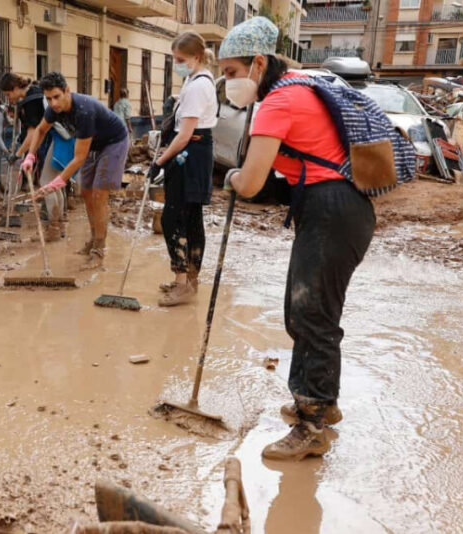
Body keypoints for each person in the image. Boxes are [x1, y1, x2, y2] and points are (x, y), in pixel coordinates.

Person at [219, 17, 375, 460]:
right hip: (338, 208)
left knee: (312, 316)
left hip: (332, 210)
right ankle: (319, 400)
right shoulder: (298, 87)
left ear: (259, 63)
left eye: (231, 72)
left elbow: (249, 182)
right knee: (304, 309)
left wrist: (231, 176)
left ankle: (312, 427)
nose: (227, 82)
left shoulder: (278, 102)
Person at [25, 72, 129, 269]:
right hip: (94, 144)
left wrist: (58, 182)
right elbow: (40, 130)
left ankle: (99, 249)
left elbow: (79, 158)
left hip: (114, 142)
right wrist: (31, 155)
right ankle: (93, 238)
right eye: (48, 98)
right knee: (85, 192)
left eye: (56, 96)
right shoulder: (53, 110)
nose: (53, 103)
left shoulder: (84, 110)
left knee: (99, 194)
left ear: (67, 91)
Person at [146, 32, 218, 307]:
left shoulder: (199, 85)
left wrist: (160, 162)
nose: (176, 64)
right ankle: (188, 279)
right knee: (187, 217)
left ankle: (183, 283)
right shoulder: (194, 80)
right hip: (191, 151)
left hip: (192, 153)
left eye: (180, 59)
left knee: (175, 219)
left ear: (196, 58)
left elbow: (185, 134)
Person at [0, 72, 49, 190]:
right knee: (51, 180)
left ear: (16, 88)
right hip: (51, 139)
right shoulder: (34, 91)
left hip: (52, 140)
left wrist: (16, 155)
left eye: (8, 94)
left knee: (48, 181)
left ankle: (50, 207)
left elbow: (32, 134)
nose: (8, 98)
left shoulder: (31, 101)